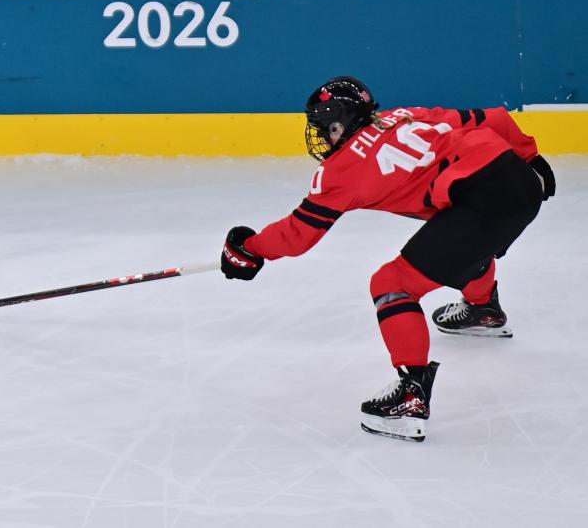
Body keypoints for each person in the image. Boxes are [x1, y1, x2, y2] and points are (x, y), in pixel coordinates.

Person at [220, 76, 555, 442]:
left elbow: (297, 234)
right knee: (462, 241)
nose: (320, 137)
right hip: (519, 178)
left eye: (322, 127)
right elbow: (493, 118)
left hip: (483, 202)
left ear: (338, 124)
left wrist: (250, 249)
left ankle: (410, 398)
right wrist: (531, 156)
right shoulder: (403, 115)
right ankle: (483, 308)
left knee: (392, 284)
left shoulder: (339, 172)